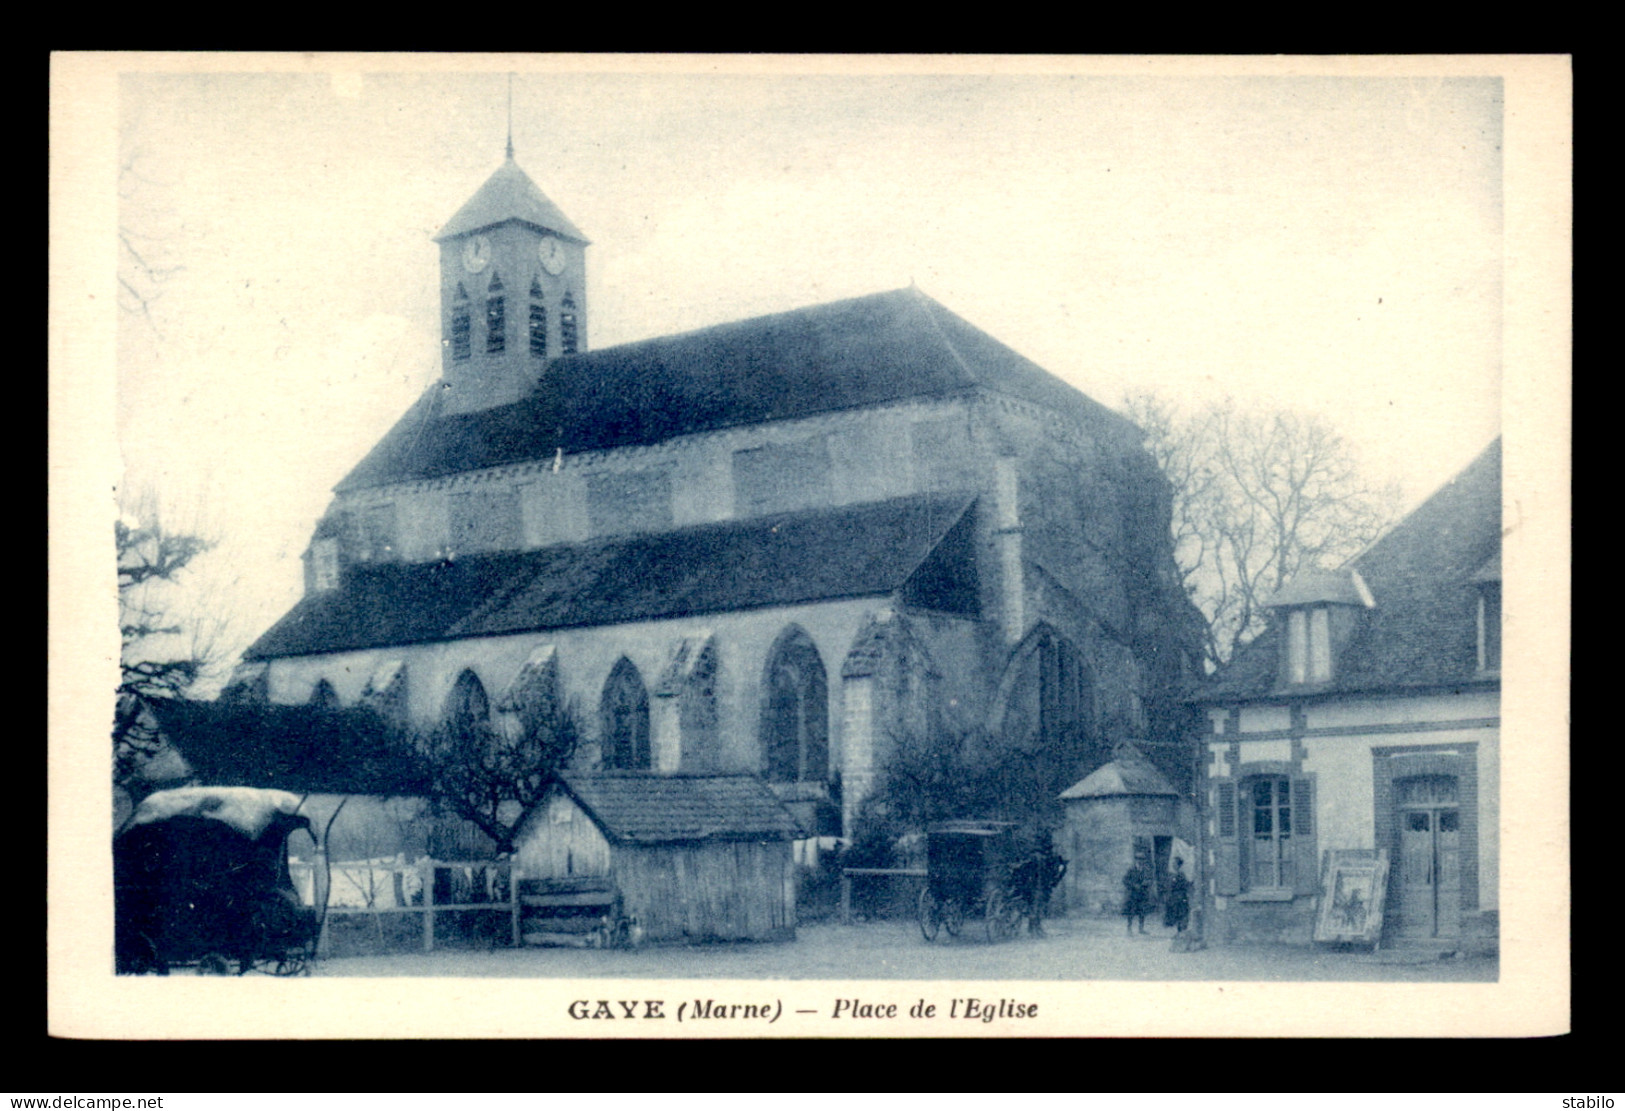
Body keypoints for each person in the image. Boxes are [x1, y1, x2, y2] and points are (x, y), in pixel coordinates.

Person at [1024, 836, 1068, 936]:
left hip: (1030, 884)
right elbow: (1052, 871)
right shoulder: (1048, 857)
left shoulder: (1032, 855)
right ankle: (1035, 928)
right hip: (1040, 884)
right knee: (1038, 906)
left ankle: (1033, 928)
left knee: (1035, 906)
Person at [1122, 855, 1153, 935]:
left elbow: (1150, 879)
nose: (1140, 861)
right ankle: (1129, 929)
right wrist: (1134, 885)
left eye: (1142, 859)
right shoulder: (1131, 870)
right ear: (1136, 860)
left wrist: (1147, 882)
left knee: (1142, 911)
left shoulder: (1145, 870)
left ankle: (1141, 929)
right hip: (1133, 894)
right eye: (1139, 859)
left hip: (1142, 894)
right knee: (1131, 911)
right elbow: (1125, 880)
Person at [1164, 857, 1191, 933]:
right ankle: (1178, 931)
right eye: (1173, 863)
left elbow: (1183, 885)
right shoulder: (1174, 874)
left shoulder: (1180, 874)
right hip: (1175, 896)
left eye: (1175, 863)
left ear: (1178, 865)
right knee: (1176, 913)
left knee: (1180, 913)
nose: (1173, 865)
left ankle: (1180, 931)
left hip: (1180, 897)